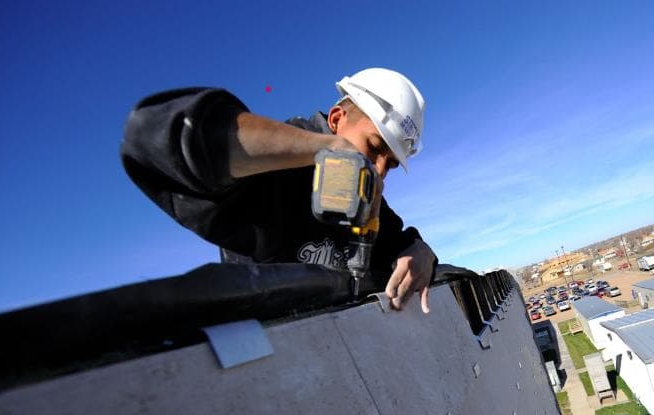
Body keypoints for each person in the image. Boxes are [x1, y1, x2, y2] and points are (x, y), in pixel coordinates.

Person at [120, 68, 436, 312]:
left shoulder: (366, 199)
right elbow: (154, 134)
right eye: (374, 147)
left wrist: (420, 251)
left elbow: (401, 243)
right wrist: (327, 149)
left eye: (391, 164)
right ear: (337, 119)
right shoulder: (271, 173)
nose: (379, 172)